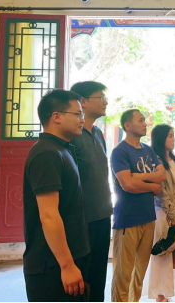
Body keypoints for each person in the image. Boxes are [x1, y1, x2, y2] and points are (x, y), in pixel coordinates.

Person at [23, 90, 90, 302]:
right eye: (77, 114)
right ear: (57, 116)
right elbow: (49, 215)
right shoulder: (47, 154)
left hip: (69, 256)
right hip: (51, 265)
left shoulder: (62, 149)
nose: (82, 119)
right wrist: (67, 265)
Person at [111, 109, 167, 303]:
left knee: (139, 274)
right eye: (141, 120)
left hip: (148, 217)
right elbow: (128, 185)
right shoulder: (120, 151)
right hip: (127, 219)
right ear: (127, 125)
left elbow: (162, 176)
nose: (145, 124)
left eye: (145, 120)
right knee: (123, 275)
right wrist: (151, 186)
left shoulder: (148, 150)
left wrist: (140, 177)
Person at [70, 82, 112, 303]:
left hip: (102, 214)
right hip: (82, 218)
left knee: (98, 275)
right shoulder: (73, 136)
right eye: (101, 97)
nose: (105, 102)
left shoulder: (97, 133)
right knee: (82, 276)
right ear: (83, 102)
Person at [146, 125, 175, 302]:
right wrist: (173, 215)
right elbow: (161, 192)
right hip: (163, 214)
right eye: (170, 136)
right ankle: (160, 296)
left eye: (173, 135)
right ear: (161, 138)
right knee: (161, 254)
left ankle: (164, 294)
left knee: (170, 256)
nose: (173, 139)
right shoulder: (155, 162)